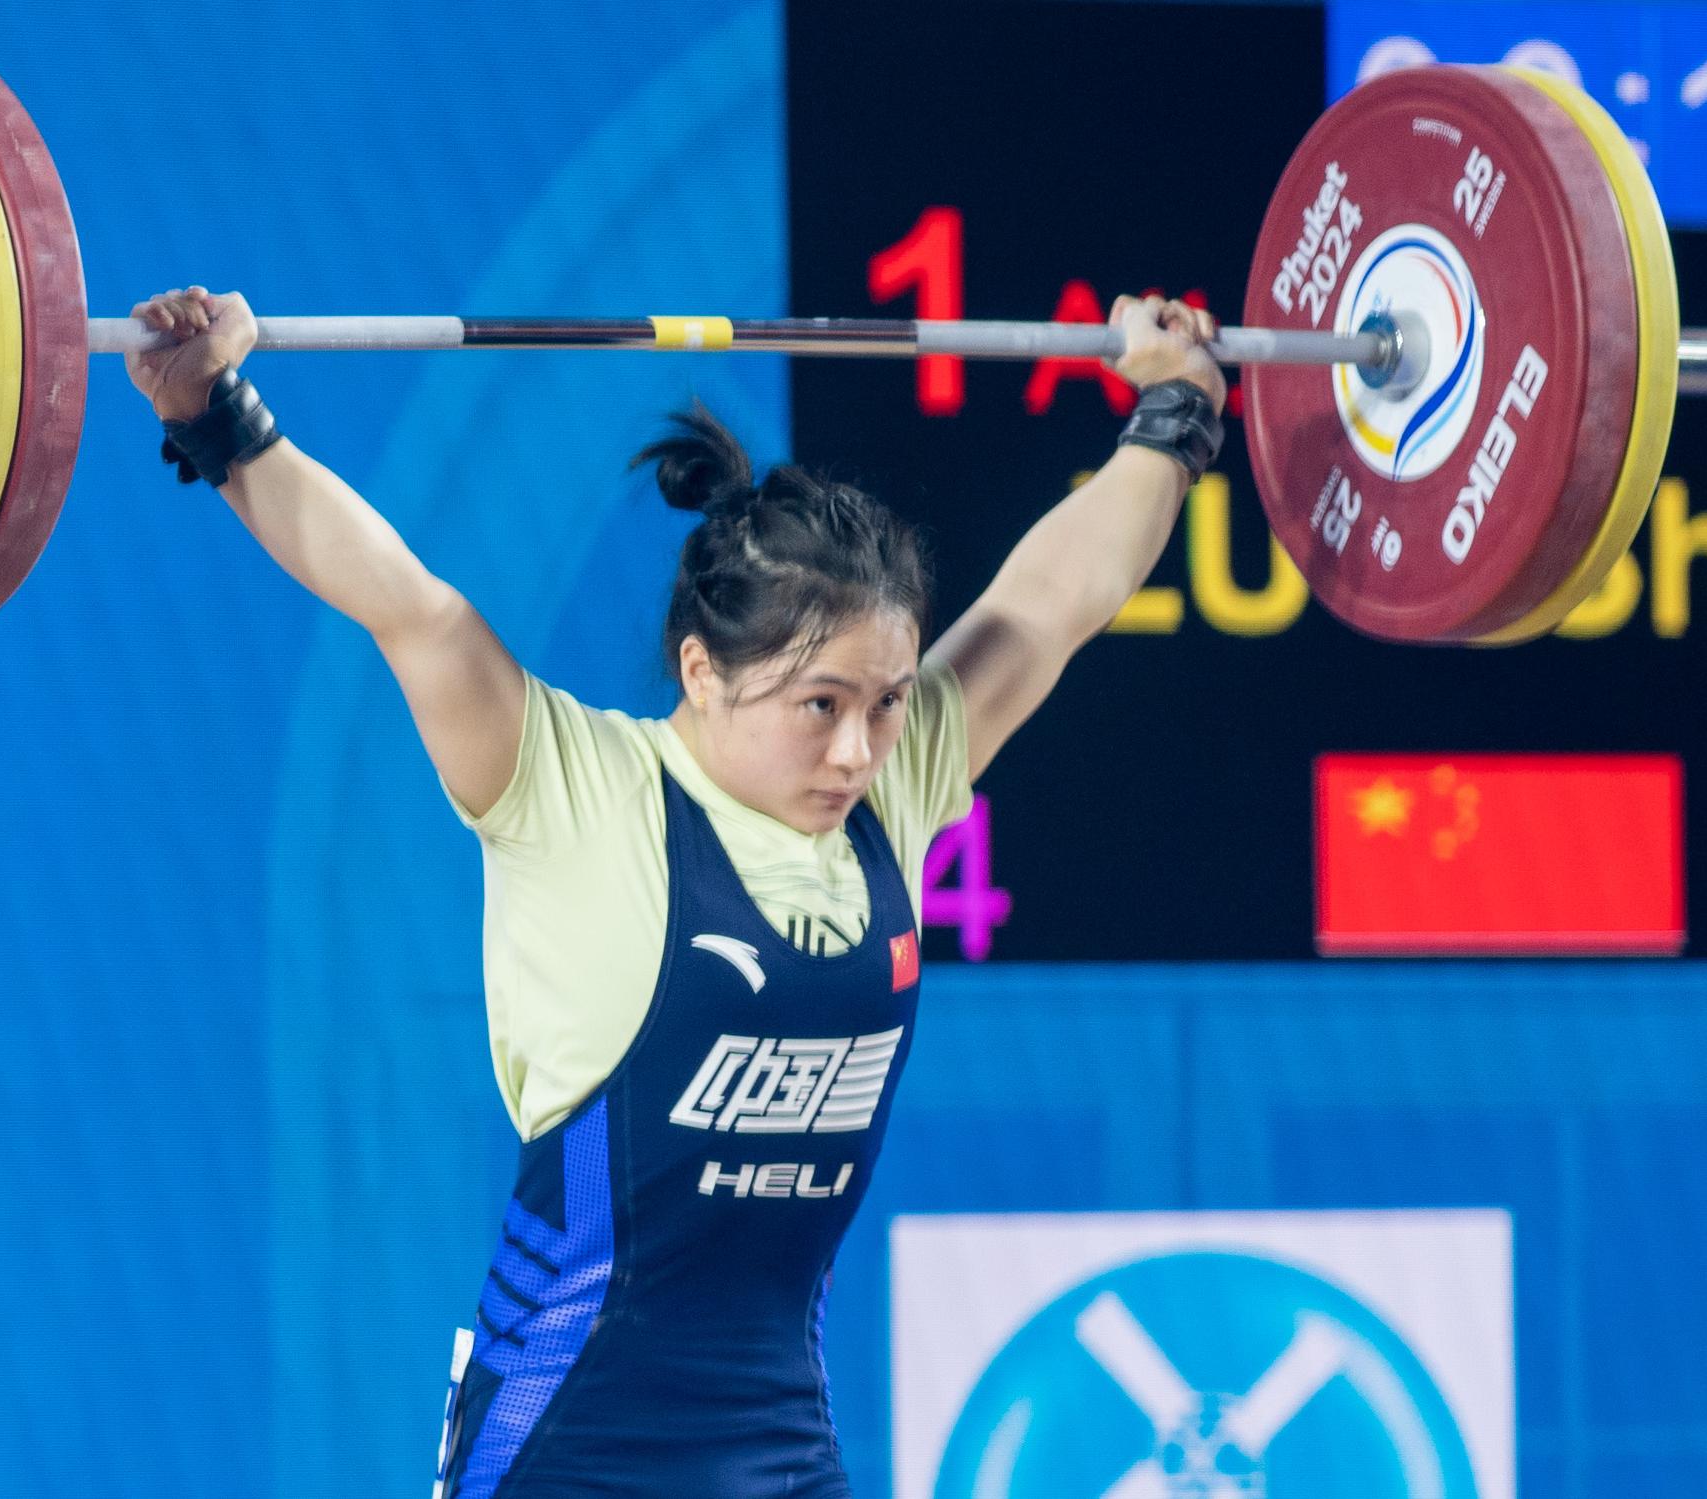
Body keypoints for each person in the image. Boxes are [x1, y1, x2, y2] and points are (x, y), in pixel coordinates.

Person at [127, 285, 1225, 1498]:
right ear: (701, 669)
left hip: (776, 1451)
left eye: (886, 702)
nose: (857, 749)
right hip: (560, 1448)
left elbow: (1046, 607)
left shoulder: (892, 792)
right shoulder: (575, 788)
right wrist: (217, 415)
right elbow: (407, 606)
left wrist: (1171, 418)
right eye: (819, 704)